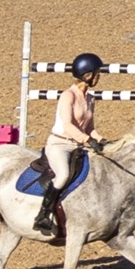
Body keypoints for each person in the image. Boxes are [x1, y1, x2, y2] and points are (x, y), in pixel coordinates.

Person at [34, 52, 107, 236]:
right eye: (97, 73)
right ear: (87, 75)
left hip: (78, 145)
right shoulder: (68, 96)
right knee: (63, 175)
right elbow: (67, 124)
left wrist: (101, 140)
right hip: (59, 144)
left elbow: (90, 127)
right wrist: (86, 140)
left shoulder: (90, 99)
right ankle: (43, 215)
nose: (99, 77)